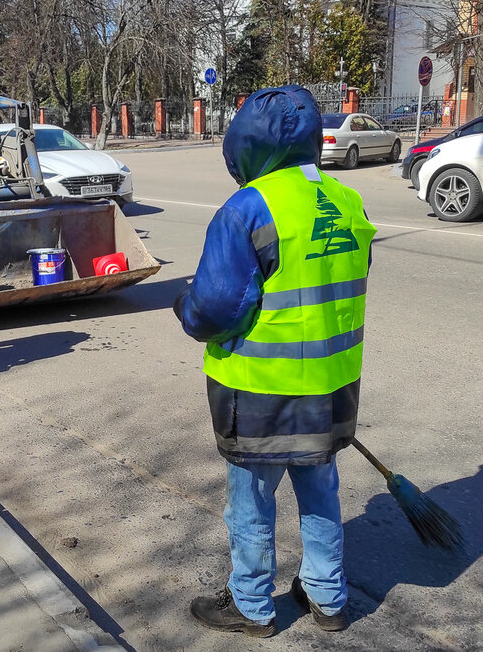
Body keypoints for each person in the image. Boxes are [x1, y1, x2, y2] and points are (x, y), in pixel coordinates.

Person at [173, 85, 378, 637]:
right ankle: (327, 594)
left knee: (251, 501)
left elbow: (217, 308)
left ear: (248, 145)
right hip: (332, 384)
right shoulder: (344, 199)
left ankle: (250, 605)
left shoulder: (248, 208)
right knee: (320, 489)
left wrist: (185, 308)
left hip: (261, 387)